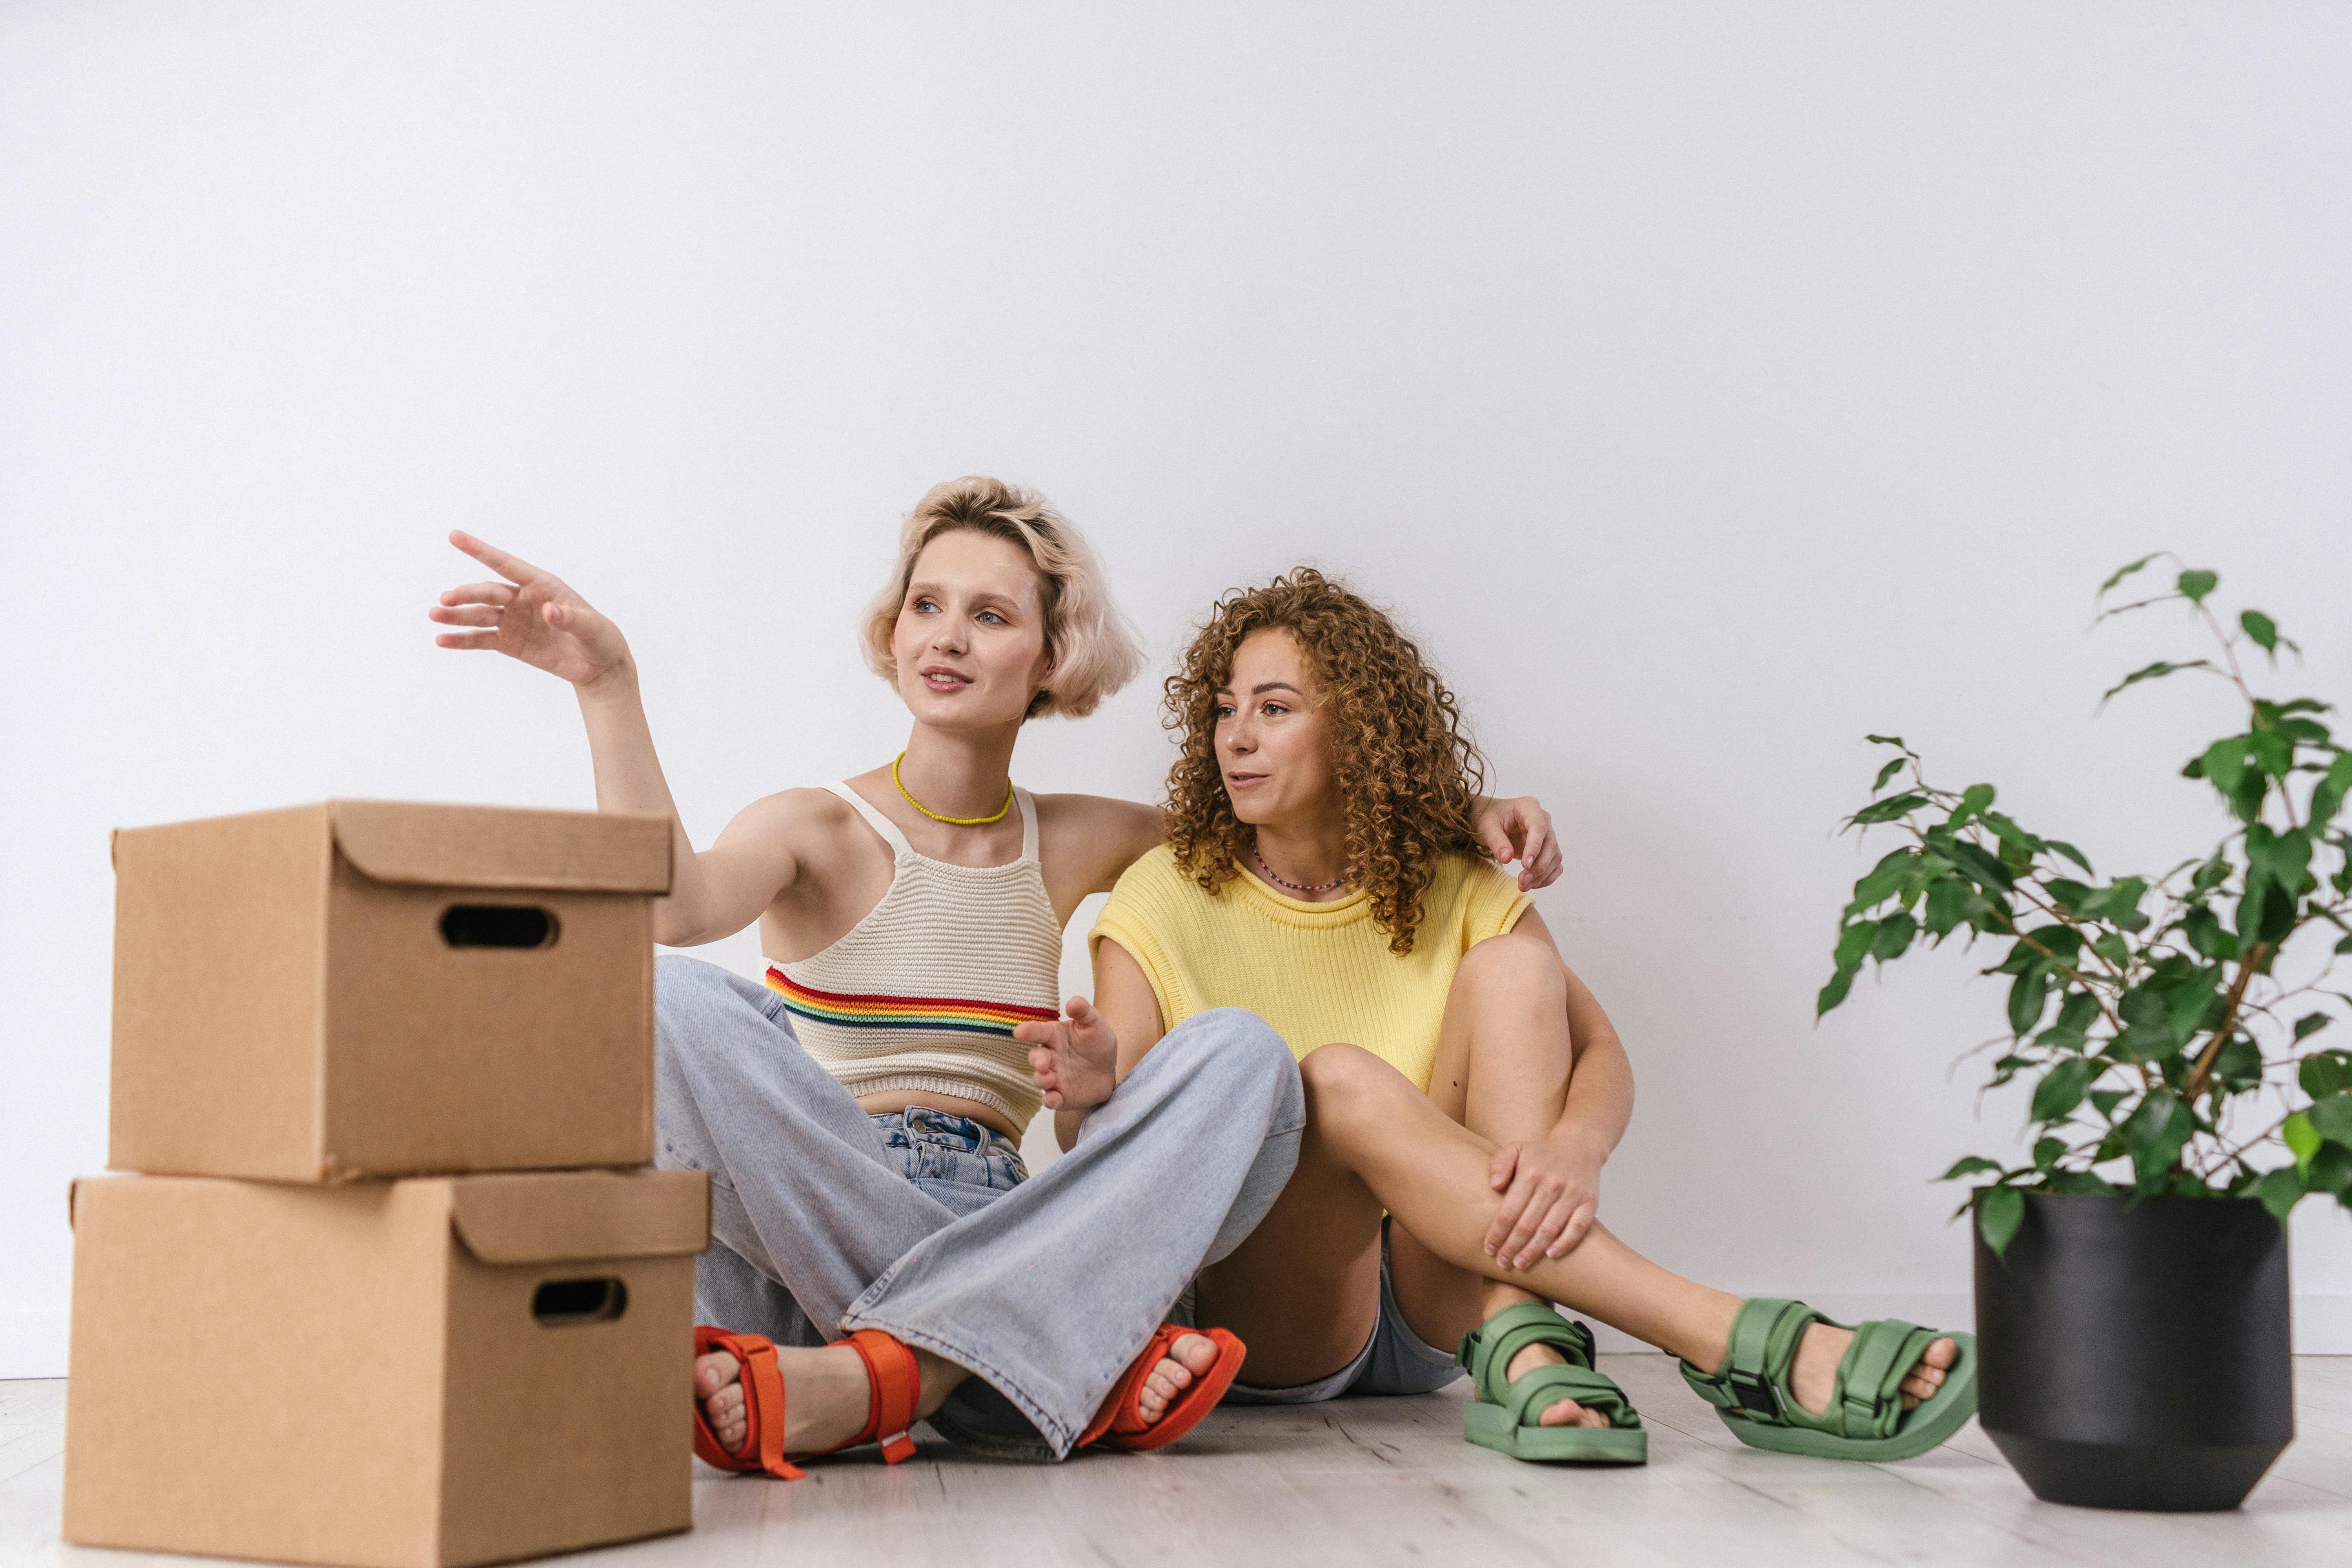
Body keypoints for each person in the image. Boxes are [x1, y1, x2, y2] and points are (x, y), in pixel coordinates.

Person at [429, 481, 1561, 1468]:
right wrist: (607, 685)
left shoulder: (1075, 839)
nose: (947, 636)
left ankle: (891, 1379)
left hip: (1002, 1206)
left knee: (1244, 1058)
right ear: (892, 630)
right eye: (926, 604)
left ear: (1051, 655)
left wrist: (1458, 814)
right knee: (658, 997)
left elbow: (1286, 819)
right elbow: (673, 906)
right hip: (807, 1206)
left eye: (988, 613)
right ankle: (1025, 1369)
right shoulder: (812, 825)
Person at [1026, 568, 1977, 1467]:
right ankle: (1724, 1332)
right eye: (1225, 709)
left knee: (1517, 969)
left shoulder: (1459, 880)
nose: (1235, 735)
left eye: (1273, 709)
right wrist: (1091, 1087)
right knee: (1335, 1077)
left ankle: (1520, 1336)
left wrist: (1574, 1149)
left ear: (1357, 730)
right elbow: (1114, 1152)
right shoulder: (1162, 893)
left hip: (1453, 1302)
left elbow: (1599, 1048)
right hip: (1282, 1311)